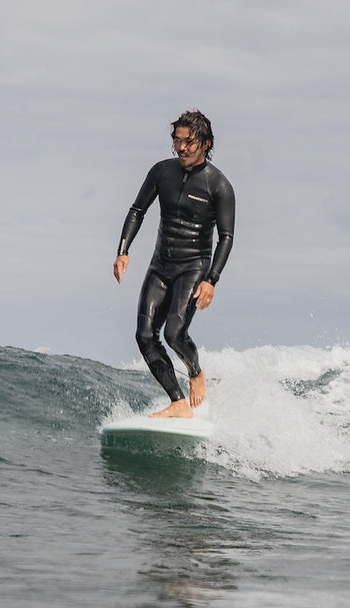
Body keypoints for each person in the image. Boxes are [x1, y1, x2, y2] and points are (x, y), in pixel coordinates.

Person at [113, 110, 235, 419]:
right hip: (160, 265)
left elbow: (226, 237)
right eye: (176, 141)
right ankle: (178, 402)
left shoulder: (218, 185)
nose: (181, 148)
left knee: (174, 334)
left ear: (205, 144)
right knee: (144, 335)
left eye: (189, 142)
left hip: (193, 267)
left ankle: (195, 371)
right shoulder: (161, 172)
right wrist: (123, 250)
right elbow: (137, 209)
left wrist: (211, 280)